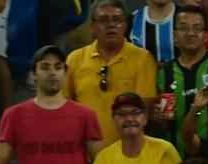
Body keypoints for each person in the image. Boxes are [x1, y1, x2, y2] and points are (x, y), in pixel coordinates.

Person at [65, 0, 157, 147]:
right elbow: (65, 108)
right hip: (84, 152)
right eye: (103, 20)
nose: (111, 25)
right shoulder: (75, 60)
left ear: (126, 25)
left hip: (128, 152)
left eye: (117, 20)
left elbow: (144, 110)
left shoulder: (142, 59)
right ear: (92, 27)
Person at [153, 5, 208, 154]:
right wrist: (157, 118)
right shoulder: (164, 73)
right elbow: (161, 124)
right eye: (183, 28)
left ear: (206, 36)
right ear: (174, 35)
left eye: (197, 28)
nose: (190, 33)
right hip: (175, 156)